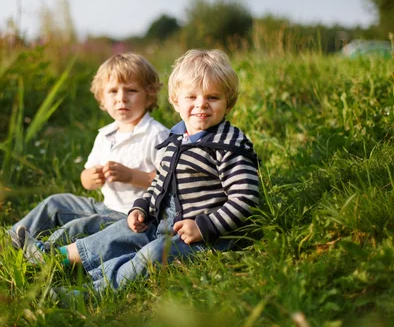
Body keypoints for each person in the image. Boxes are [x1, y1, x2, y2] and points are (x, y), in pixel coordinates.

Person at [53, 49, 260, 293]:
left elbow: (245, 198)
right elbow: (160, 183)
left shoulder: (229, 144)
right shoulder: (176, 138)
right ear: (175, 100)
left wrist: (205, 227)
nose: (201, 104)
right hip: (169, 220)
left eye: (212, 97)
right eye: (191, 97)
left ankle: (95, 290)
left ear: (228, 102)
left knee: (152, 254)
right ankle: (58, 259)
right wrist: (142, 207)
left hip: (210, 236)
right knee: (124, 231)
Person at [10, 53, 169, 258]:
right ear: (102, 99)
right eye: (113, 91)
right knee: (56, 203)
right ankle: (12, 239)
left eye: (131, 90)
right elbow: (86, 179)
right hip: (106, 206)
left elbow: (168, 183)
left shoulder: (156, 134)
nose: (121, 98)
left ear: (149, 95)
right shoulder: (106, 135)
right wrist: (90, 177)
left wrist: (132, 176)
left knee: (82, 225)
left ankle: (44, 254)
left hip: (134, 218)